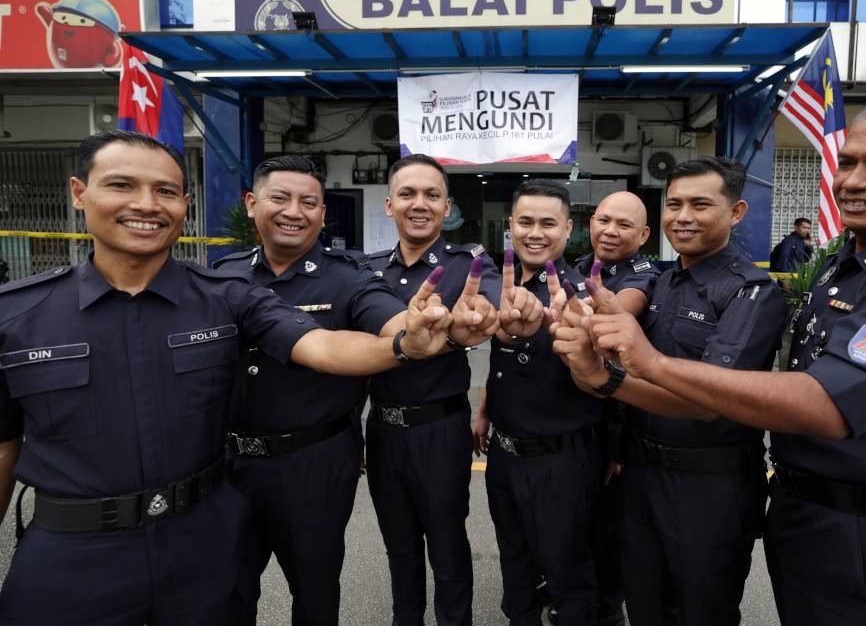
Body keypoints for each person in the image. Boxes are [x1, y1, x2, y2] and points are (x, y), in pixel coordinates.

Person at [576, 92, 866, 625]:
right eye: (847, 162)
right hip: (803, 513)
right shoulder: (844, 265)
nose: (854, 179)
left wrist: (648, 364)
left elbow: (825, 401)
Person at [0, 131, 453, 625]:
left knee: (309, 592)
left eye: (167, 192)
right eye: (122, 185)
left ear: (185, 204)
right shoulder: (18, 316)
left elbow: (318, 344)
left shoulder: (225, 295)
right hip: (74, 552)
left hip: (207, 528)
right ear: (79, 193)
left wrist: (401, 345)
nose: (146, 205)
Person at [213, 155, 495, 625]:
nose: (293, 211)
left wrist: (434, 329)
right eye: (279, 198)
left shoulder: (357, 275)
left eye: (308, 202)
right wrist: (360, 426)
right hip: (260, 458)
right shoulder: (223, 275)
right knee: (229, 588)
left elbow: (396, 322)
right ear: (251, 203)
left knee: (440, 546)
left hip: (406, 436)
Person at [554, 157, 786, 625]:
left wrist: (604, 378)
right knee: (643, 606)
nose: (683, 216)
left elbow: (707, 401)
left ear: (736, 212)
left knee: (701, 612)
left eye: (700, 204)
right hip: (640, 478)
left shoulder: (751, 292)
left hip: (710, 488)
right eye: (674, 203)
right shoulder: (662, 280)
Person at [366, 153, 502, 626]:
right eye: (407, 193)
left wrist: (484, 314)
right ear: (389, 205)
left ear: (448, 208)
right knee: (399, 547)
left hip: (440, 431)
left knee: (447, 545)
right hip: (382, 431)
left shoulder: (469, 266)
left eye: (431, 195)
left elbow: (494, 309)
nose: (418, 204)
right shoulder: (366, 271)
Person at [474, 179, 603, 625]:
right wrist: (485, 411)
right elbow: (502, 364)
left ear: (569, 230)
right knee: (514, 562)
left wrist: (586, 341)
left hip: (559, 462)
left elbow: (604, 382)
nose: (536, 232)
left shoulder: (582, 298)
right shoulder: (506, 286)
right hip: (505, 459)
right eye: (525, 221)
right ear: (510, 226)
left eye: (549, 223)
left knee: (568, 573)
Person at [574, 190, 658, 626]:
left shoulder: (641, 275)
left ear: (643, 234)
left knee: (607, 532)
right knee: (578, 525)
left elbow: (620, 312)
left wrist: (616, 450)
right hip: (577, 424)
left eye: (623, 225)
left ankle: (607, 610)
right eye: (603, 220)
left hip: (613, 428)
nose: (609, 231)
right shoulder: (580, 268)